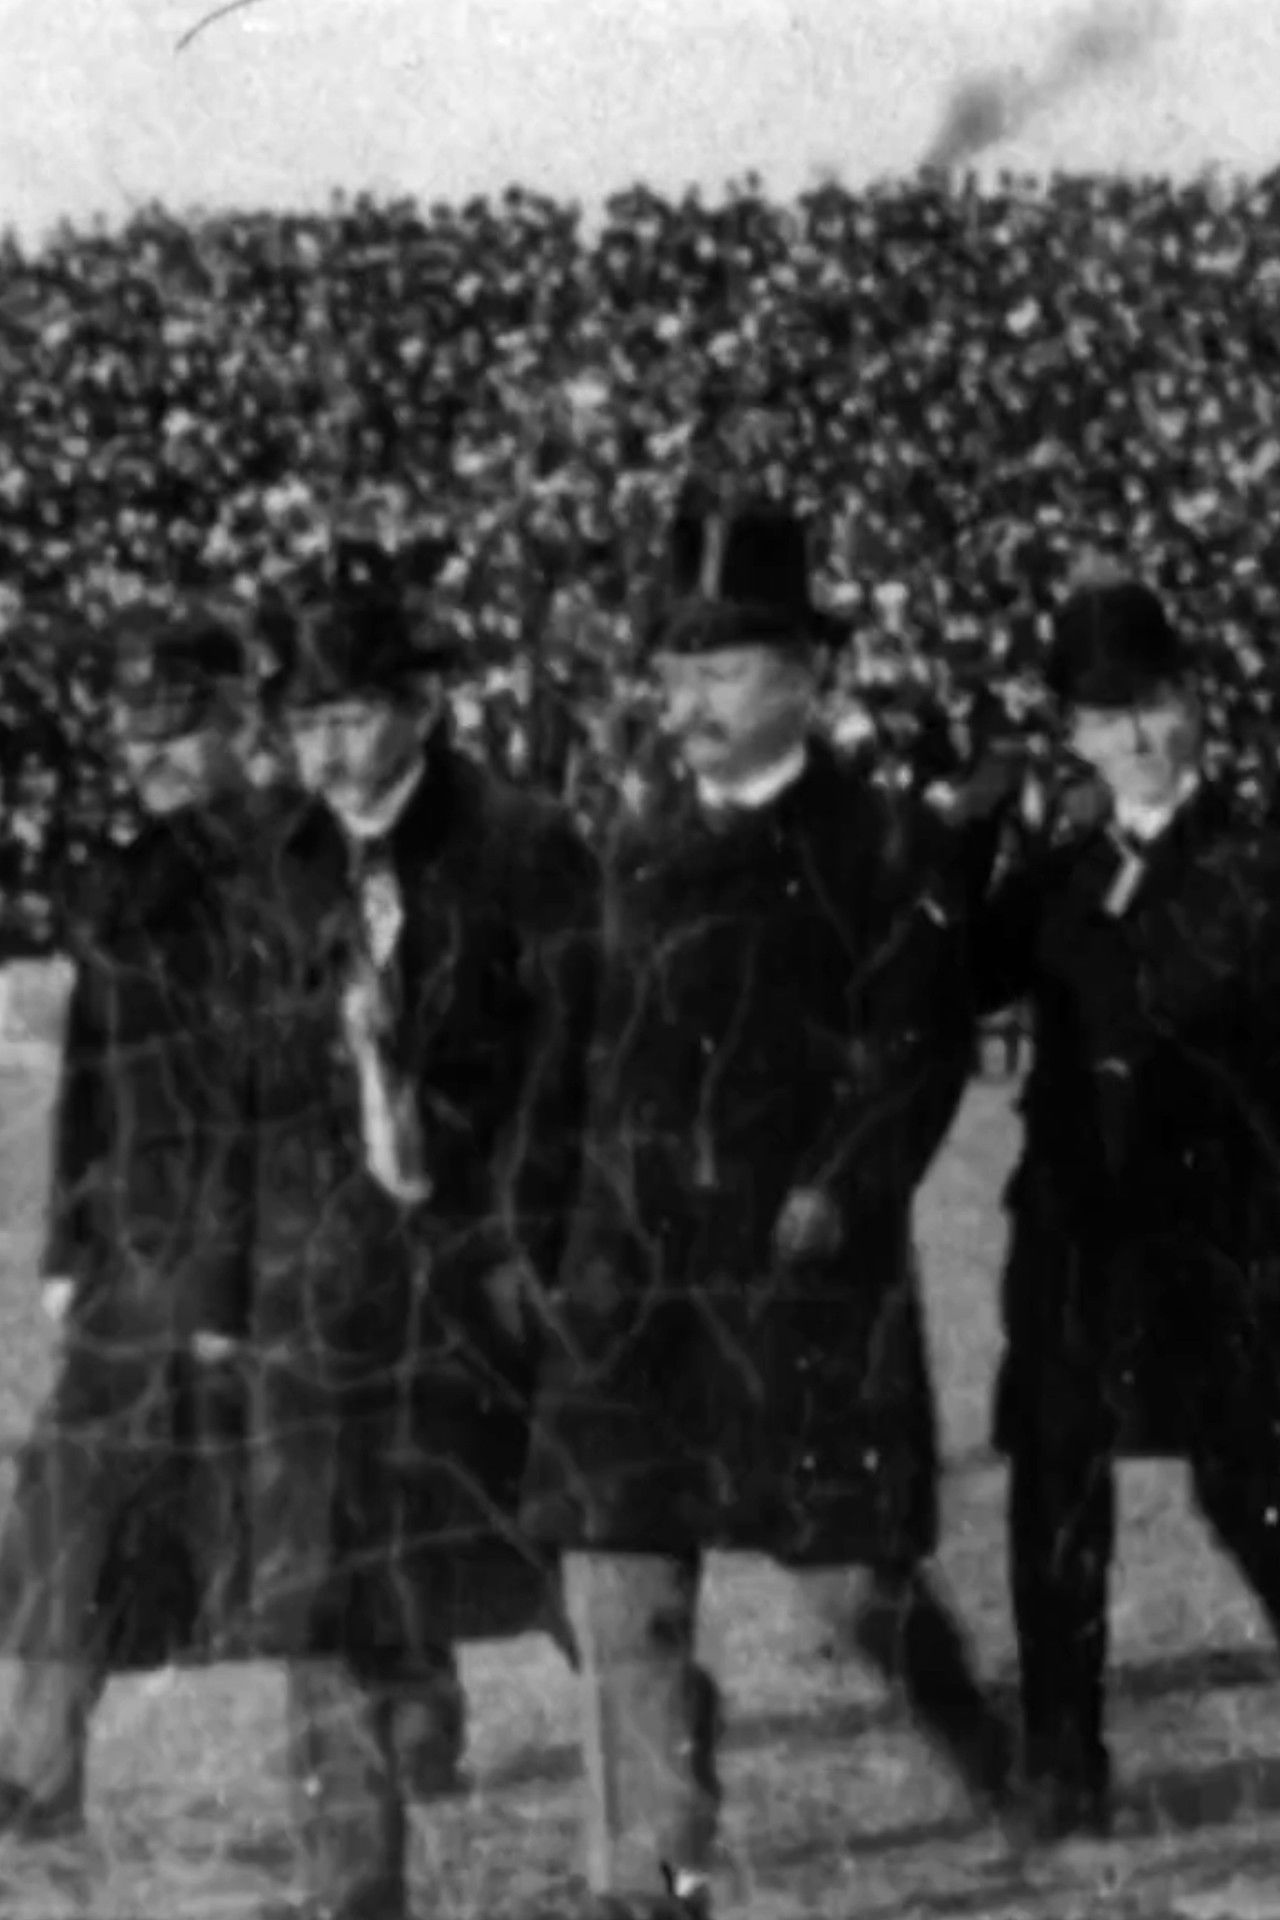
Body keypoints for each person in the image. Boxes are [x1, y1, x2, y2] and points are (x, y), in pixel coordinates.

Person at [519, 491, 1019, 1920]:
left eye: (725, 671)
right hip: (633, 1285)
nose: (690, 702)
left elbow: (912, 1054)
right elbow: (577, 1055)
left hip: (800, 1278)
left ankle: (982, 1740)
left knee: (858, 1589)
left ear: (810, 676)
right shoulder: (628, 846)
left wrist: (839, 1191)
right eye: (673, 675)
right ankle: (651, 1876)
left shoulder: (885, 846)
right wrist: (542, 1224)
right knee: (623, 1587)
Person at [251, 546, 599, 1920]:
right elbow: (256, 1079)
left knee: (583, 1571)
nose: (328, 749)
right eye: (308, 723)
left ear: (421, 708)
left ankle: (670, 1841)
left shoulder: (524, 843)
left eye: (352, 716)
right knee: (329, 1573)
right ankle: (353, 1884)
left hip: (492, 1268)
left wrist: (531, 1243)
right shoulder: (277, 864)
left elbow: (576, 1064)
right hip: (332, 1281)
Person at [978, 577, 1280, 1843]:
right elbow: (935, 983)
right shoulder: (1051, 881)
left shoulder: (1257, 862)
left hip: (1228, 1241)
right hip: (1076, 1239)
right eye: (1109, 716)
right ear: (1075, 735)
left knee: (1251, 1484)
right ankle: (1061, 1754)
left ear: (1197, 706)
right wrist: (961, 833)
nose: (1141, 736)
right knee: (1055, 1489)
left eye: (1155, 705)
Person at [0, 598, 267, 1835]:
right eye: (135, 726)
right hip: (133, 1247)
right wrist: (64, 1243)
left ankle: (426, 1716)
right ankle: (39, 1770)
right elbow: (92, 1078)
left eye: (182, 724)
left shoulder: (292, 862)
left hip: (275, 1231)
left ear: (238, 723)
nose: (153, 750)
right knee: (68, 1492)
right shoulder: (121, 878)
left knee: (339, 1493)